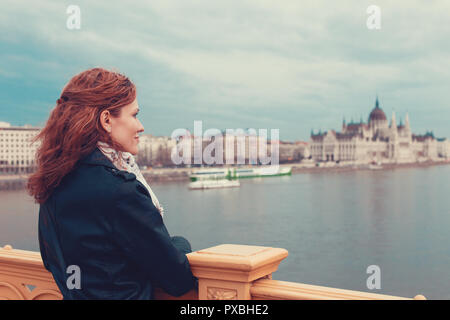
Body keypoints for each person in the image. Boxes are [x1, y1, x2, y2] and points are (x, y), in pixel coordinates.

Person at [27, 67, 197, 299]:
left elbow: (53, 260)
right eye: (135, 115)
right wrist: (180, 244)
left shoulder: (54, 181)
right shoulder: (120, 190)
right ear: (106, 119)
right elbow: (177, 278)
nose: (141, 126)